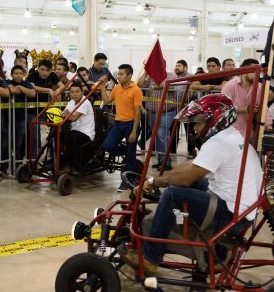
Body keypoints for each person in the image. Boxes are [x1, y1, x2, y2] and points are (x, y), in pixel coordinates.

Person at [122, 94, 263, 275]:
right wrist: (161, 177)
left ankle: (150, 258)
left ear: (216, 119)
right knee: (186, 181)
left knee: (172, 194)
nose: (195, 128)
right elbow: (193, 166)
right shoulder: (230, 136)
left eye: (199, 122)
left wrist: (157, 181)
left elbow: (186, 179)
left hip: (230, 216)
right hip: (239, 208)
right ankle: (161, 229)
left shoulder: (219, 142)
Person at [100, 64, 142, 191]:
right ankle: (127, 152)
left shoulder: (136, 90)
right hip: (118, 123)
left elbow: (138, 112)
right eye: (118, 74)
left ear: (129, 75)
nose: (118, 76)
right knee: (107, 145)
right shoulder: (117, 88)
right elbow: (106, 100)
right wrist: (102, 86)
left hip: (131, 124)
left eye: (121, 74)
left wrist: (134, 132)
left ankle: (127, 181)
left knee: (130, 156)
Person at [137, 60, 177, 170]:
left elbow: (171, 87)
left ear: (165, 65)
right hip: (153, 112)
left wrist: (158, 86)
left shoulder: (171, 75)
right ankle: (161, 161)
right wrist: (146, 71)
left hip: (166, 112)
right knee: (158, 137)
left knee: (161, 135)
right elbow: (139, 84)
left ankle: (166, 163)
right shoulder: (150, 77)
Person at [221, 58, 272, 136]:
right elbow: (223, 109)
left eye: (258, 71)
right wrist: (245, 109)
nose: (256, 73)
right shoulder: (230, 85)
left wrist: (269, 126)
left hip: (251, 132)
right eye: (253, 70)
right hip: (232, 132)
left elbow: (264, 108)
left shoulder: (260, 87)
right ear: (244, 70)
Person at [61, 81, 95, 172]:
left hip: (86, 133)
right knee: (57, 135)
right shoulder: (71, 102)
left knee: (70, 137)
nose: (74, 94)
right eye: (72, 92)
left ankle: (70, 164)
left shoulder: (85, 102)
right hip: (75, 130)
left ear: (82, 92)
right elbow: (64, 113)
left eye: (77, 92)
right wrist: (67, 114)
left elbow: (74, 118)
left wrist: (67, 114)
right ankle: (60, 162)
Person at [7, 64, 37, 161]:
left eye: (20, 73)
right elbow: (13, 91)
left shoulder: (25, 83)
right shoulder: (7, 81)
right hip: (7, 118)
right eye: (16, 73)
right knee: (7, 143)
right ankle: (6, 164)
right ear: (12, 74)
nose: (18, 75)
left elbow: (32, 94)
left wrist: (20, 86)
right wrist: (22, 89)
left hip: (21, 118)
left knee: (19, 143)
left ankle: (17, 163)